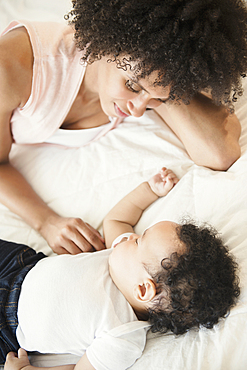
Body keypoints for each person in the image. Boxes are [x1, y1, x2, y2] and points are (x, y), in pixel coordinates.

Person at [0, 0, 247, 255]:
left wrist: (165, 83)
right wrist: (46, 222)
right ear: (106, 44)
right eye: (132, 85)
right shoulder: (10, 66)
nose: (138, 110)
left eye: (157, 100)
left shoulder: (153, 78)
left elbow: (220, 154)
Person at [1, 167, 240, 370]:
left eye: (138, 241)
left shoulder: (122, 335)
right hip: (20, 265)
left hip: (8, 325)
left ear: (144, 289)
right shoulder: (122, 261)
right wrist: (149, 189)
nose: (130, 237)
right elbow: (116, 220)